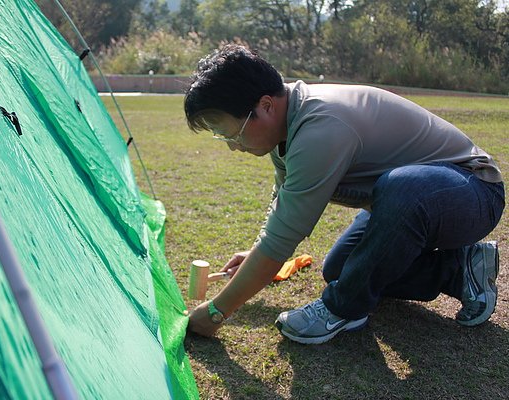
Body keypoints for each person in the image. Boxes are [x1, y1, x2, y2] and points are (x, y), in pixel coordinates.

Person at [184, 44, 505, 344]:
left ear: (265, 106)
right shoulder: (287, 127)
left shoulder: (320, 128)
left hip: (473, 190)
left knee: (401, 188)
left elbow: (281, 241)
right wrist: (253, 257)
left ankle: (344, 309)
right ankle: (461, 269)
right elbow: (282, 209)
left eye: (232, 133)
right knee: (341, 270)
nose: (233, 146)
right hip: (420, 199)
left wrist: (216, 311)